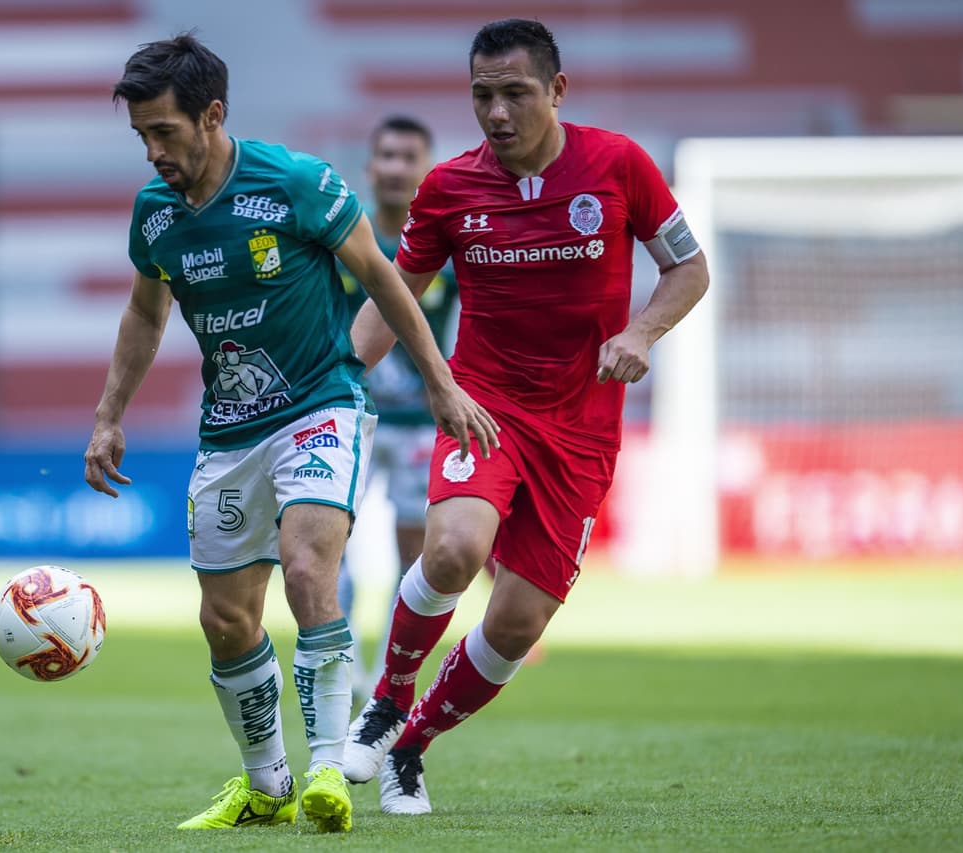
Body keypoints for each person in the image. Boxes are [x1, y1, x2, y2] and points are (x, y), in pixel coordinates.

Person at [82, 34, 498, 832]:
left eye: (163, 131)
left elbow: (384, 276)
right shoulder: (155, 214)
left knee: (311, 569)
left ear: (212, 115)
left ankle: (329, 767)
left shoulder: (297, 182)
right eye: (141, 136)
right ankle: (266, 781)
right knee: (226, 619)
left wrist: (442, 385)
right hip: (229, 431)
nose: (153, 151)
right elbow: (145, 309)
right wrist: (109, 413)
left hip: (321, 403)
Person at [343, 18, 710, 814]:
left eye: (515, 94)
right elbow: (394, 297)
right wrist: (339, 380)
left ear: (557, 91)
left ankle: (412, 747)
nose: (497, 113)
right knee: (452, 550)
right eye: (483, 95)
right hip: (485, 403)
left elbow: (689, 266)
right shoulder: (449, 188)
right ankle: (386, 698)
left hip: (581, 425)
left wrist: (641, 331)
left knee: (514, 621)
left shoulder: (618, 164)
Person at [335, 116, 459, 697]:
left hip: (416, 425)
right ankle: (336, 662)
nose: (395, 168)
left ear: (426, 168)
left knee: (414, 553)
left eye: (408, 157)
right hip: (345, 414)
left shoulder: (446, 247)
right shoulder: (342, 236)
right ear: (370, 166)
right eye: (385, 155)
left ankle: (387, 675)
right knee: (325, 542)